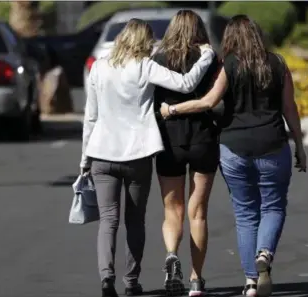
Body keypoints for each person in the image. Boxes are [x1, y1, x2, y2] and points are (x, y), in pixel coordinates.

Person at [160, 15, 307, 297]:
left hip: (233, 148)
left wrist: (172, 110)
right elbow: (290, 108)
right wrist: (299, 145)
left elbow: (208, 102)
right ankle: (264, 253)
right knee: (273, 207)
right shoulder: (277, 63)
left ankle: (251, 282)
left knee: (245, 214)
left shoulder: (229, 65)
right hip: (273, 144)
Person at [79, 18, 215, 297]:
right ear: (143, 41)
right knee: (135, 220)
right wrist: (206, 56)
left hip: (101, 153)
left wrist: (84, 160)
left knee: (108, 220)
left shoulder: (99, 68)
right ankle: (131, 282)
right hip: (137, 153)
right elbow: (186, 83)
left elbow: (90, 117)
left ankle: (107, 278)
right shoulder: (145, 66)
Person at [152, 10, 220, 297]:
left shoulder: (158, 60)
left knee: (172, 209)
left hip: (170, 141)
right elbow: (218, 100)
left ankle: (171, 255)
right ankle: (196, 279)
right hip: (203, 139)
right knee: (199, 212)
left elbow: (152, 103)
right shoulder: (210, 58)